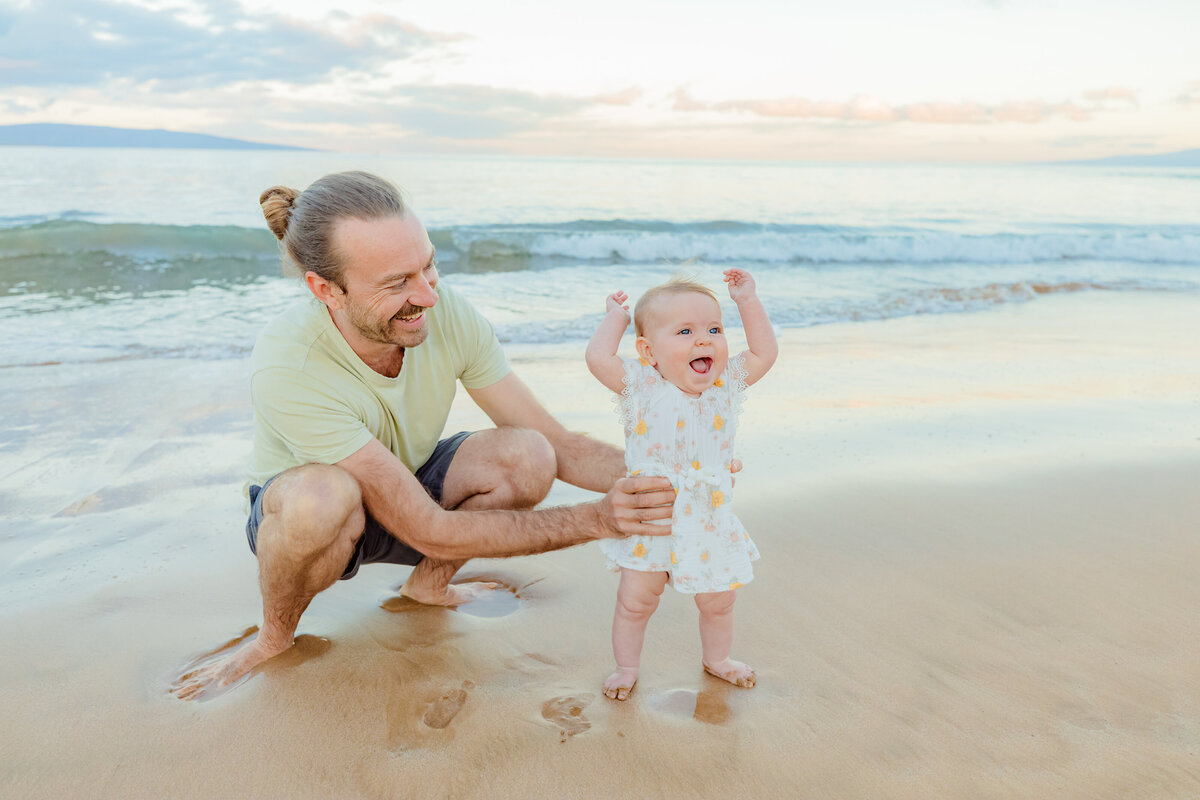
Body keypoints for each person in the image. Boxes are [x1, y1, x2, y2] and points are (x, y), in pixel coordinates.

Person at [170, 171, 674, 701]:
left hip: (409, 479)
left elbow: (560, 444)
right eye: (396, 283)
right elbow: (429, 529)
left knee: (529, 453)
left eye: (428, 265)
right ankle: (275, 635)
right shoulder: (289, 362)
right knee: (320, 497)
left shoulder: (446, 308)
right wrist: (598, 520)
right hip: (314, 517)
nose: (428, 295)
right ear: (326, 290)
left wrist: (679, 477)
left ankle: (428, 585)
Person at [584, 270, 777, 700]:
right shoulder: (643, 387)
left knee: (718, 602)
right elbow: (599, 360)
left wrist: (747, 302)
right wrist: (614, 318)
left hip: (708, 520)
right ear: (648, 352)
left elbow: (764, 352)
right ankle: (626, 667)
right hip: (651, 519)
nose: (704, 340)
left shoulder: (724, 387)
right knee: (636, 602)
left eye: (714, 329)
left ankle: (718, 659)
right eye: (685, 331)